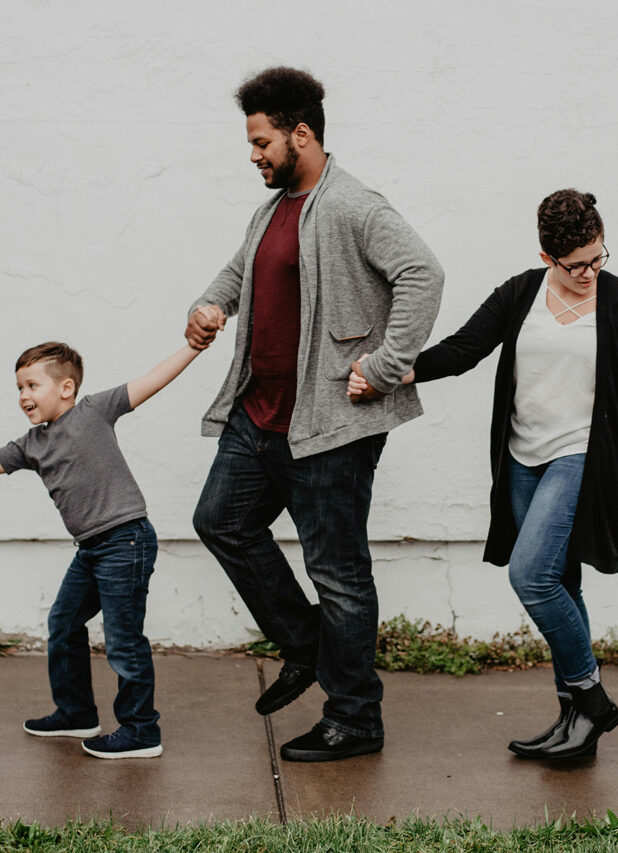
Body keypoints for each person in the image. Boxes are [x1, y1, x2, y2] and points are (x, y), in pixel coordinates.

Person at [349, 189, 618, 759]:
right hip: (522, 459)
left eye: (599, 258)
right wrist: (391, 373)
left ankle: (592, 700)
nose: (590, 272)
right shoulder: (522, 293)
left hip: (584, 457)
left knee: (532, 576)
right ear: (548, 257)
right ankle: (576, 724)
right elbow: (465, 349)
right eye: (576, 265)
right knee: (561, 582)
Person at [187, 67, 444, 762]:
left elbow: (423, 274)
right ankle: (305, 646)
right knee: (220, 521)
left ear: (301, 134)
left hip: (328, 426)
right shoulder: (271, 210)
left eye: (262, 140)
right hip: (259, 415)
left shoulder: (353, 205)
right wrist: (209, 305)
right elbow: (240, 271)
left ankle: (355, 716)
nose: (253, 154)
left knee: (338, 572)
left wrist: (385, 365)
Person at [0, 339, 204, 758]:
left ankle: (142, 730)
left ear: (66, 388)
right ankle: (76, 712)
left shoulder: (94, 410)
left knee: (124, 641)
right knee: (64, 622)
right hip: (91, 548)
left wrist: (193, 347)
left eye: (32, 386)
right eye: (19, 388)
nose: (23, 396)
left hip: (125, 540)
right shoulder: (31, 445)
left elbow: (152, 380)